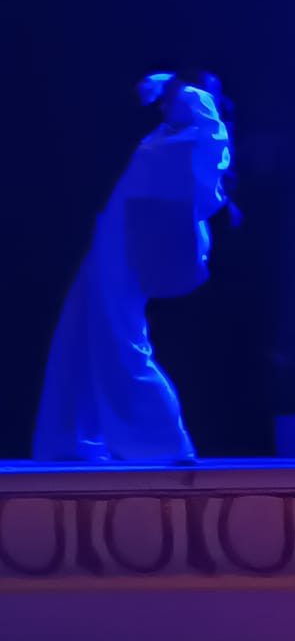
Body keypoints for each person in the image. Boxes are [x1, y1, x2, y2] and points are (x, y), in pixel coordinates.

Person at [35, 73, 237, 462]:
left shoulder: (201, 137)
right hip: (115, 236)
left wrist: (188, 91)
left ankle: (162, 440)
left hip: (137, 242)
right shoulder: (166, 135)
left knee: (121, 334)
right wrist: (167, 87)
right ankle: (75, 436)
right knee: (83, 328)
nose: (168, 104)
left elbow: (209, 172)